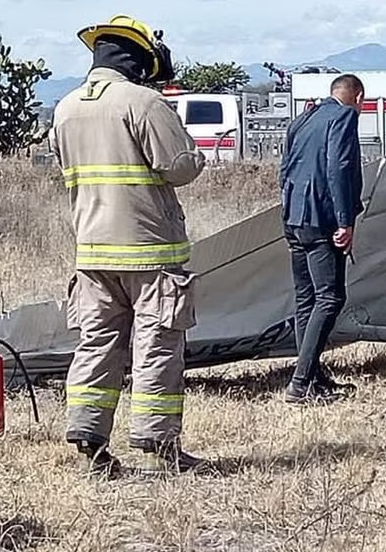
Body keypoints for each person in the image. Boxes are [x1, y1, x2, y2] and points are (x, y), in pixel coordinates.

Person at [49, 14, 207, 476]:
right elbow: (180, 166)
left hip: (92, 251)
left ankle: (88, 437)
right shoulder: (143, 102)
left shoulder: (65, 107)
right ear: (140, 59)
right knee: (157, 343)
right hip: (150, 251)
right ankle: (161, 446)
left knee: (96, 344)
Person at [279, 74, 365, 404]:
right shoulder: (343, 117)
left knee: (306, 298)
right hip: (321, 219)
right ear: (357, 98)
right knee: (330, 297)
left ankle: (311, 376)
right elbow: (339, 168)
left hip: (294, 216)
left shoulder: (304, 118)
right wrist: (345, 221)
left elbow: (284, 168)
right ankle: (301, 383)